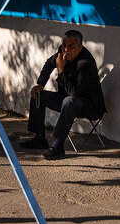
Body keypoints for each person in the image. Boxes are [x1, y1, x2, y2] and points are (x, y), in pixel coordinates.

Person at [20, 29, 106, 160]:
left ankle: (58, 146)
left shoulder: (85, 63)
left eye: (70, 46)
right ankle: (39, 138)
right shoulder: (62, 51)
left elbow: (74, 93)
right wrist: (40, 84)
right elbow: (50, 63)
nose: (66, 49)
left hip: (90, 106)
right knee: (38, 95)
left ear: (80, 47)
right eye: (64, 45)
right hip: (68, 101)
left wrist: (61, 69)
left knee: (69, 101)